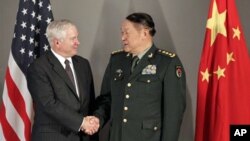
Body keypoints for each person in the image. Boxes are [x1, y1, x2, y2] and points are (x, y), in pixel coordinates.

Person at [87, 12, 186, 141]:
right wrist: (97, 119)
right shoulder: (117, 60)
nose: (122, 38)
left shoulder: (167, 62)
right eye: (121, 33)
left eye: (127, 32)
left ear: (144, 33)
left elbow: (173, 113)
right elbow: (107, 99)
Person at [27, 19, 98, 141]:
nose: (78, 42)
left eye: (77, 37)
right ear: (57, 42)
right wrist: (81, 122)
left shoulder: (83, 64)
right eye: (73, 39)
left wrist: (93, 121)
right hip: (54, 136)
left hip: (84, 136)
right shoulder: (38, 68)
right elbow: (49, 104)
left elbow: (89, 101)